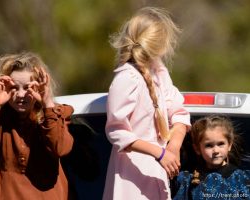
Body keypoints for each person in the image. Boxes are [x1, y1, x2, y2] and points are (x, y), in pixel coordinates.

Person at [102, 7, 191, 200]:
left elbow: (179, 113)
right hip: (131, 176)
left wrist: (173, 148)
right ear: (161, 44)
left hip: (159, 171)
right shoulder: (127, 78)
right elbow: (117, 132)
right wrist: (159, 153)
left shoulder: (159, 72)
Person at [0, 52, 75, 200]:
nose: (20, 94)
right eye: (14, 88)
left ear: (40, 87)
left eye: (27, 88)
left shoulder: (54, 116)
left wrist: (48, 104)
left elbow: (60, 147)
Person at [173, 115, 250, 200]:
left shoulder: (242, 179)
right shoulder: (187, 180)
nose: (216, 151)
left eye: (221, 144)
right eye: (209, 145)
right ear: (197, 149)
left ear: (229, 145)